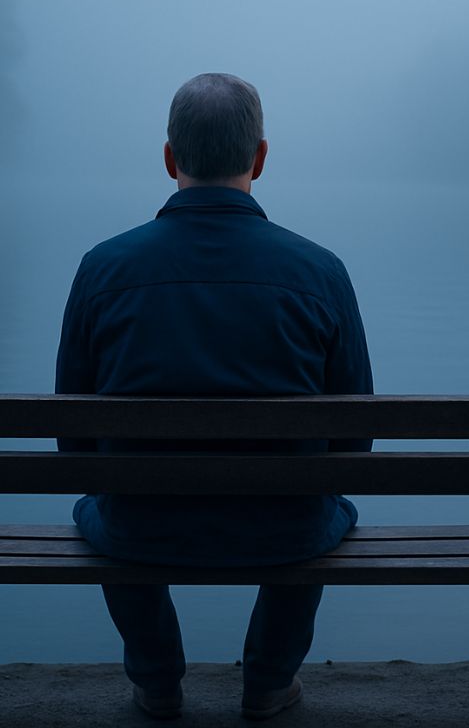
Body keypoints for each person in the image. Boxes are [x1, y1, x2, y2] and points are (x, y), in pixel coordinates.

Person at [55, 72, 372, 720]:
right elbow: (354, 437)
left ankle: (157, 681)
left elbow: (75, 440)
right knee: (325, 500)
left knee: (102, 500)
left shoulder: (102, 268)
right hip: (285, 528)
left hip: (140, 524)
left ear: (170, 159)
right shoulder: (320, 271)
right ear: (259, 158)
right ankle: (267, 681)